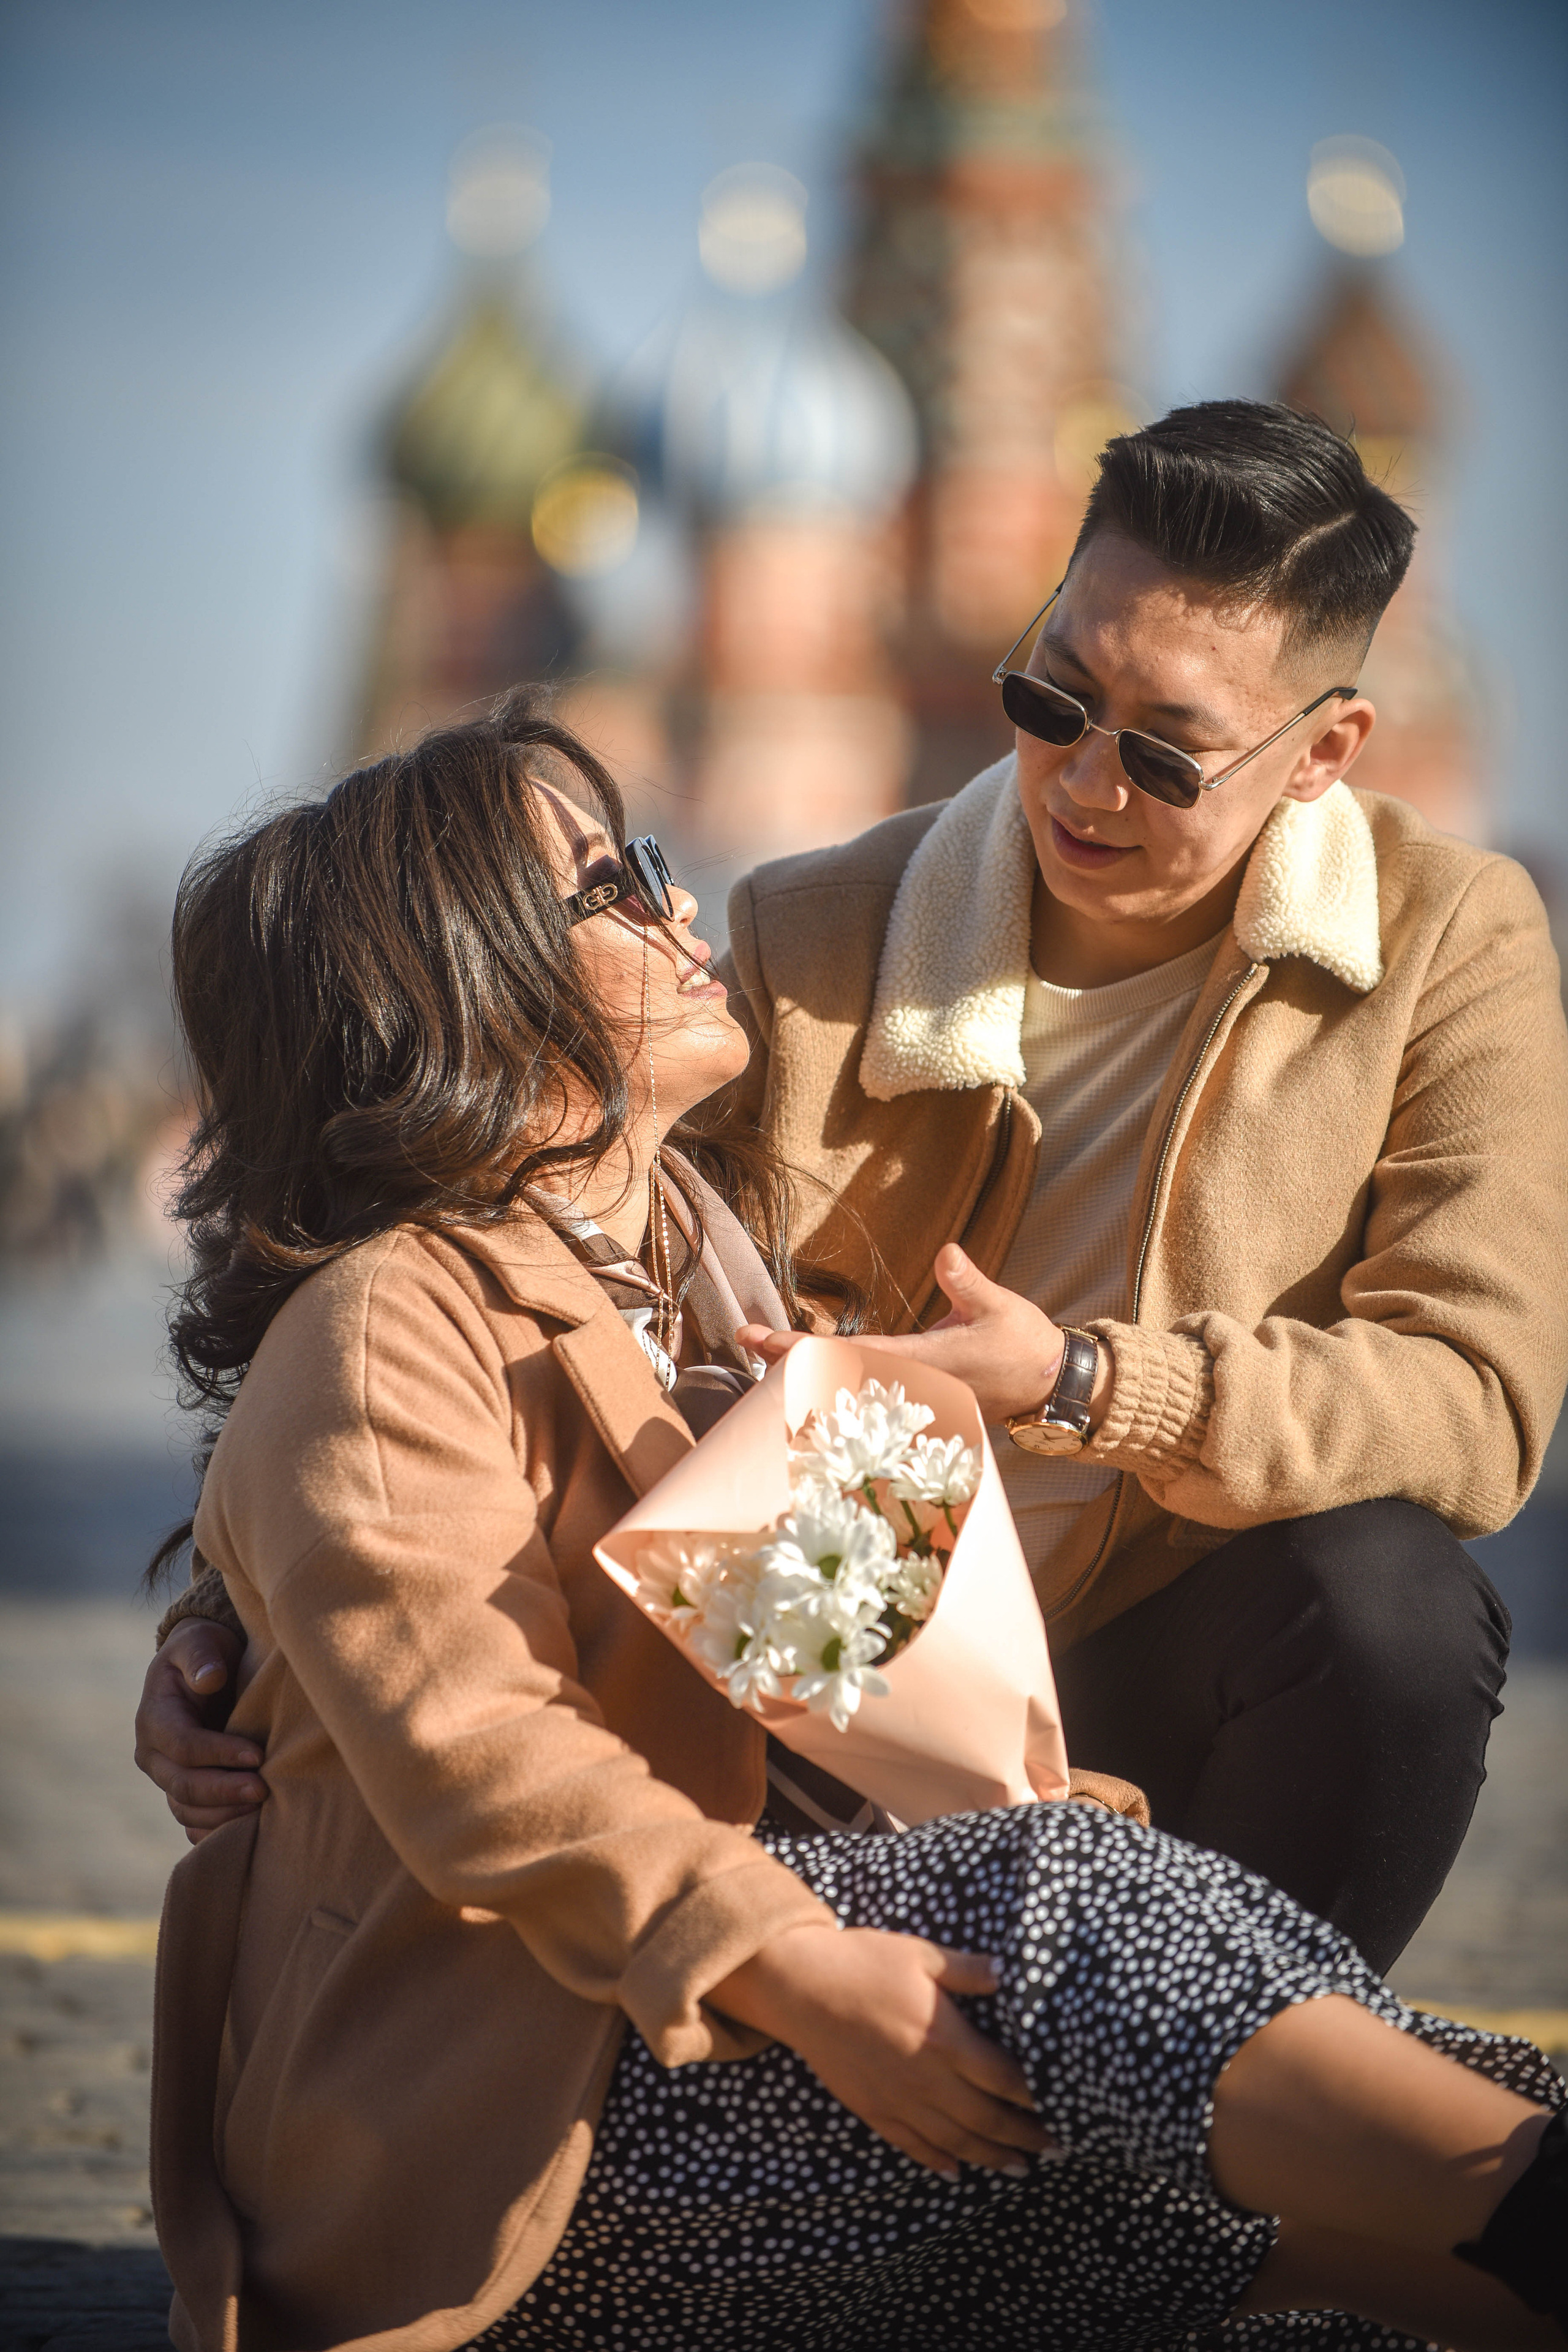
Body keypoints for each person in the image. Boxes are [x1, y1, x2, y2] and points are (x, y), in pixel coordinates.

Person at [136, 694, 1565, 2352]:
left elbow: (900, 1702)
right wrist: (803, 1966)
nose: (681, 907)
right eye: (610, 884)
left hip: (781, 2034)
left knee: (1394, 2126)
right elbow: (479, 1743)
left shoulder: (720, 1255)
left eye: (651, 863)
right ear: (459, 980)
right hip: (541, 2126)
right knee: (1066, 1915)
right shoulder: (396, 1313)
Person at [717, 399, 1568, 1975]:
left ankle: (1225, 2119)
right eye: (1053, 692)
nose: (1082, 782)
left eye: (1164, 749)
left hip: (1175, 1643)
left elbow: (1475, 1401)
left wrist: (1088, 1388)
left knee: (1389, 1600)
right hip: (836, 1634)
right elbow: (521, 1267)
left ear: (1324, 749)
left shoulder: (1450, 938)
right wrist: (231, 1620)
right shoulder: (810, 932)